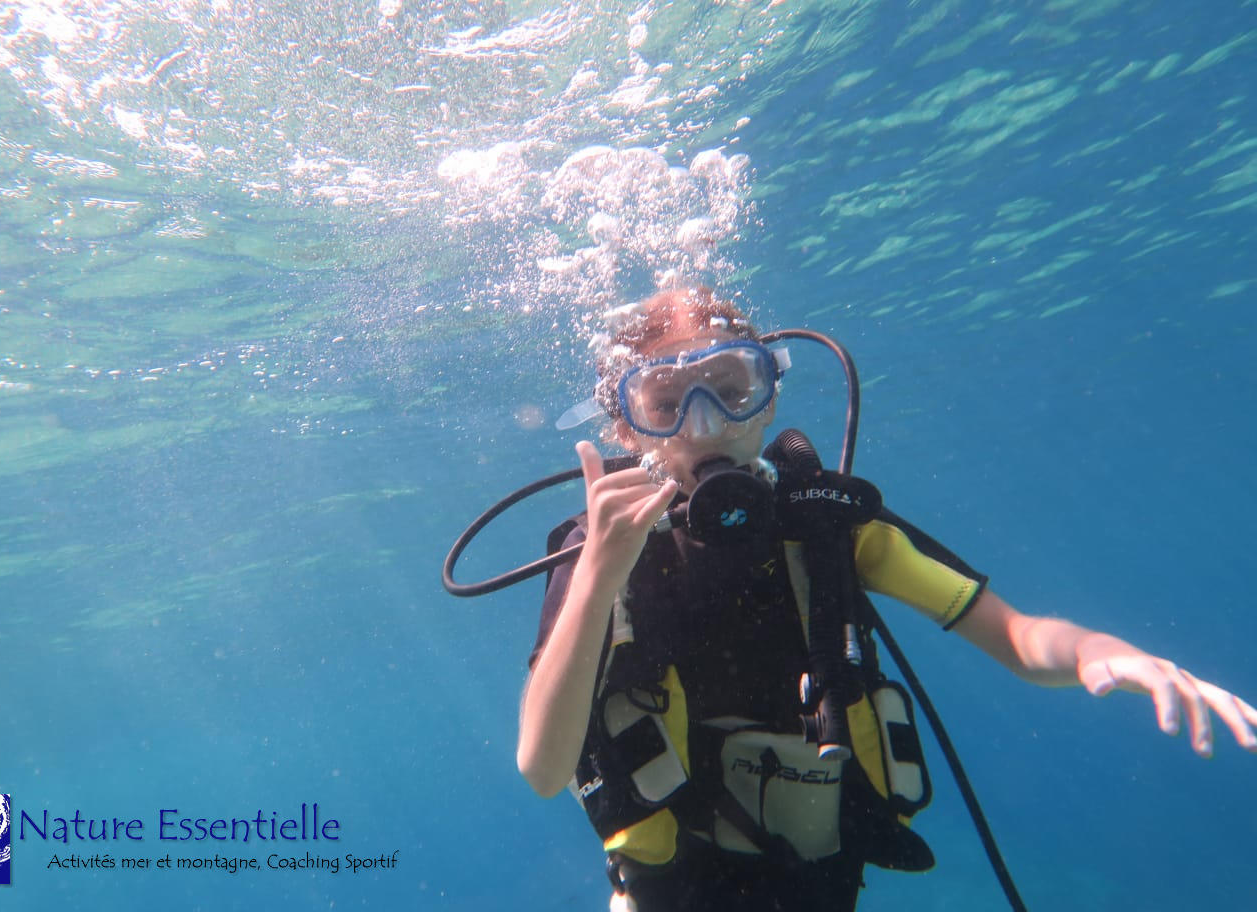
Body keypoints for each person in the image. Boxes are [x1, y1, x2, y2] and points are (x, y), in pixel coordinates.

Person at [516, 286, 1257, 912]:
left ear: (769, 398)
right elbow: (543, 769)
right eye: (666, 403)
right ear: (625, 426)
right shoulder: (600, 552)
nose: (704, 423)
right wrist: (599, 575)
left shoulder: (829, 526)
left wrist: (1103, 653)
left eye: (732, 389)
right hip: (665, 893)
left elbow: (1021, 640)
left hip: (818, 886)